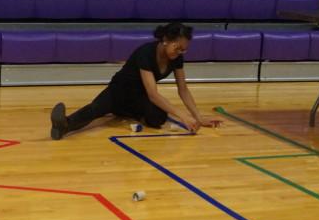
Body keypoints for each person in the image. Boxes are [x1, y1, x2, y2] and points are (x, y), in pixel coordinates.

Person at [50, 22, 222, 140]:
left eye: (183, 50)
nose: (179, 53)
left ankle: (127, 113)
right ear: (165, 40)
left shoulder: (176, 58)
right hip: (119, 91)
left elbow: (183, 89)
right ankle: (64, 125)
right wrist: (183, 117)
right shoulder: (145, 53)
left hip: (139, 97)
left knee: (158, 118)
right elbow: (153, 94)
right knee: (95, 110)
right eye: (177, 48)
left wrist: (198, 117)